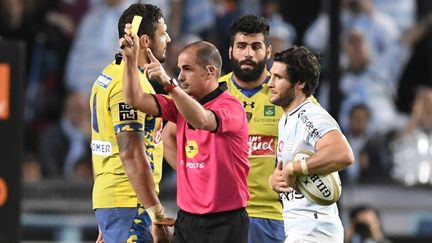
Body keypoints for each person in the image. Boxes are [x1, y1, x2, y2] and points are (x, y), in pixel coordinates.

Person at [161, 15, 286, 242]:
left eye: (255, 46)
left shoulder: (285, 94)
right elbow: (168, 135)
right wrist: (193, 175)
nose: (248, 53)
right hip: (219, 213)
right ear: (230, 52)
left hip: (269, 214)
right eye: (241, 46)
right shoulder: (209, 91)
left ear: (268, 52)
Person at [121, 23, 250, 242]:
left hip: (226, 222)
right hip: (188, 219)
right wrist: (130, 60)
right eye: (179, 69)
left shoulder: (231, 107)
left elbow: (202, 120)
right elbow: (135, 99)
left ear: (211, 71)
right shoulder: (180, 105)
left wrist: (167, 83)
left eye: (187, 69)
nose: (180, 76)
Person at [90, 3, 172, 242]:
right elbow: (131, 152)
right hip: (130, 202)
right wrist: (156, 213)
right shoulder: (125, 87)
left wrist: (105, 215)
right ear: (145, 40)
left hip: (115, 203)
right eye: (162, 32)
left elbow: (100, 148)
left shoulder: (107, 77)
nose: (167, 38)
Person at [268, 46, 354, 243]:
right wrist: (276, 180)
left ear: (300, 83)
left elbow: (343, 154)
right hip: (302, 227)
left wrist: (294, 168)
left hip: (314, 229)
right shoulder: (287, 117)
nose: (270, 84)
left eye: (278, 78)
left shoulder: (311, 115)